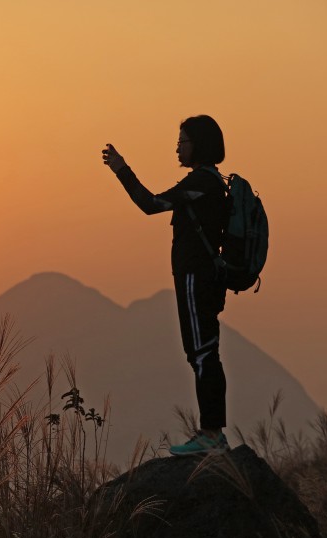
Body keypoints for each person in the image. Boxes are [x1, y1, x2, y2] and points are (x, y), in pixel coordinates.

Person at [102, 115, 232, 455]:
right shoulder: (211, 182)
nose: (177, 147)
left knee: (202, 353)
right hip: (202, 278)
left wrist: (122, 170)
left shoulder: (202, 184)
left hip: (195, 278)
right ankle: (212, 433)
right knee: (203, 352)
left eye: (183, 141)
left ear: (198, 145)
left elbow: (151, 204)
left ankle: (211, 435)